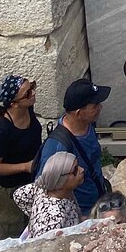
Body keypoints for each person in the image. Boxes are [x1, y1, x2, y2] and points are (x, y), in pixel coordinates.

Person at [39, 80, 110, 217]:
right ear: (78, 113)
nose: (100, 107)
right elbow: (45, 188)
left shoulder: (88, 125)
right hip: (81, 212)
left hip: (98, 200)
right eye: (95, 105)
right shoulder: (58, 147)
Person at [0, 75, 43, 237]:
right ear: (14, 104)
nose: (33, 93)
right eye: (28, 93)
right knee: (14, 230)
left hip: (28, 181)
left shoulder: (28, 110)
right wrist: (25, 166)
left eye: (32, 87)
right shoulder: (2, 130)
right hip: (7, 187)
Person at [13, 152, 83, 238]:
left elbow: (19, 194)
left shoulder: (43, 187)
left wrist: (33, 217)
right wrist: (39, 218)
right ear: (60, 180)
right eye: (75, 170)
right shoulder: (53, 219)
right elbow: (44, 245)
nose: (81, 169)